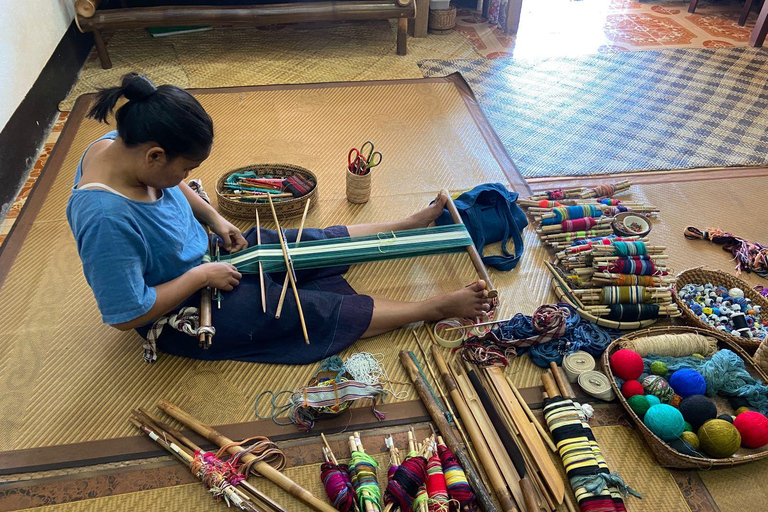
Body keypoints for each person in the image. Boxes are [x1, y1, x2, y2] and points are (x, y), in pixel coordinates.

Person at [67, 73, 491, 364]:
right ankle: (432, 307)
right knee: (301, 310)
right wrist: (201, 277)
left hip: (210, 256)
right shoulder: (105, 219)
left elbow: (171, 183)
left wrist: (214, 218)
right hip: (185, 305)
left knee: (307, 241)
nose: (186, 178)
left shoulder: (125, 141)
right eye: (186, 169)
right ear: (155, 156)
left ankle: (403, 227)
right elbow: (126, 315)